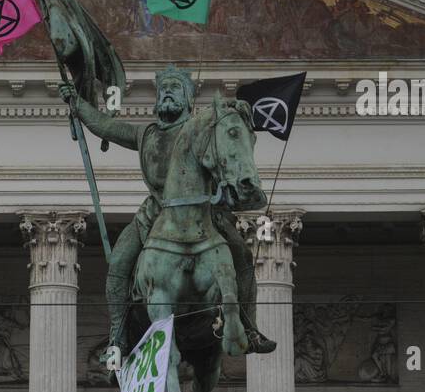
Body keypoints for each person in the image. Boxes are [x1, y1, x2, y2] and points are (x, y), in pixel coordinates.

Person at [60, 64, 276, 361]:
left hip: (204, 215)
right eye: (163, 89)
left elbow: (227, 152)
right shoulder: (145, 134)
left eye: (175, 89)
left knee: (241, 254)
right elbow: (105, 126)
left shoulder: (202, 130)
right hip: (154, 214)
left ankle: (249, 327)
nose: (167, 94)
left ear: (189, 100)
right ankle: (117, 338)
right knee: (119, 264)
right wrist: (77, 104)